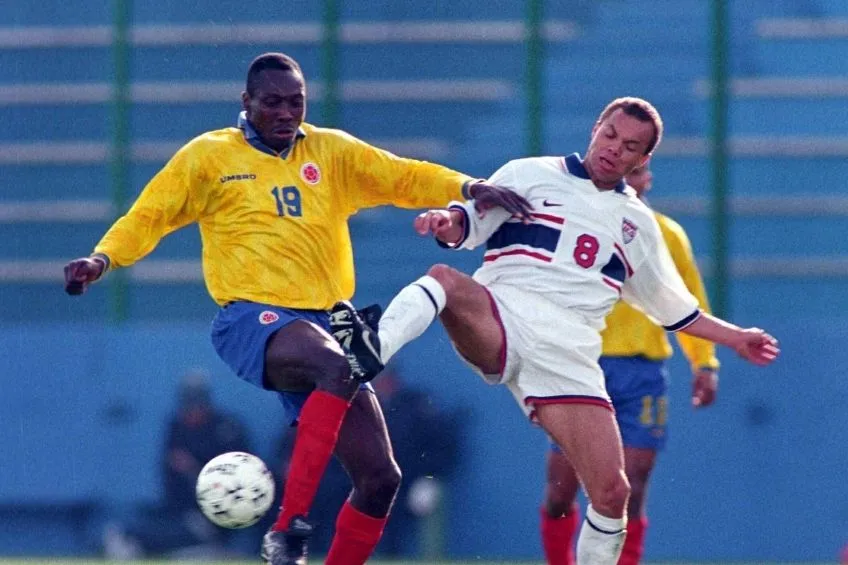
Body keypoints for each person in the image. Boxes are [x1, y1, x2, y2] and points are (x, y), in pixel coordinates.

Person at [62, 51, 531, 565]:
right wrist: (103, 258)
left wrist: (466, 187)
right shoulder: (209, 157)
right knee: (337, 363)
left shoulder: (330, 152)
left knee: (381, 479)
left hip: (327, 323)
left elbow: (402, 175)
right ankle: (287, 532)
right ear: (246, 103)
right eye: (273, 103)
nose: (287, 113)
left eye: (296, 102)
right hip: (253, 319)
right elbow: (150, 215)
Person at [331, 97, 780, 565]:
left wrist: (735, 338)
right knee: (445, 279)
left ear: (643, 160)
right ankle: (370, 349)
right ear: (595, 126)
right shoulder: (528, 173)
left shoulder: (640, 227)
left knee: (612, 493)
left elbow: (676, 309)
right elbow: (469, 222)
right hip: (500, 317)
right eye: (609, 134)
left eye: (629, 147)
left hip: (568, 358)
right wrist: (445, 222)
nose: (613, 149)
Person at [539, 162, 720, 565]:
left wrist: (704, 363)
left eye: (635, 171)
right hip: (582, 367)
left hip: (642, 372)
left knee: (632, 486)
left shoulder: (665, 234)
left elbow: (688, 304)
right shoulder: (573, 225)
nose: (626, 179)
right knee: (560, 492)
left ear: (646, 178)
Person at [105, 370, 253, 560]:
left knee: (186, 532)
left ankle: (210, 547)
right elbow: (170, 478)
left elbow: (244, 480)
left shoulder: (227, 427)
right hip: (181, 512)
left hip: (218, 516)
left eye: (197, 402)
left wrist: (196, 470)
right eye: (188, 402)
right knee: (129, 532)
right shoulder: (176, 426)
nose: (192, 409)